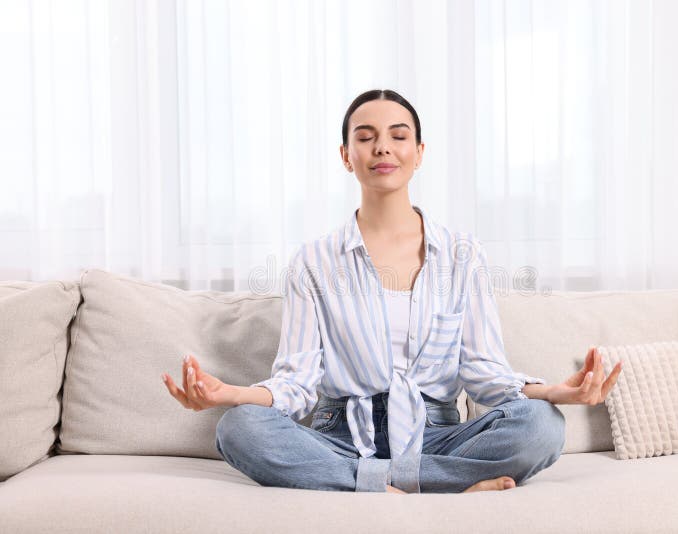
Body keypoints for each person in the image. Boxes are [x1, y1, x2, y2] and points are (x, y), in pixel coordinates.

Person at [161, 89, 624, 494]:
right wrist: (232, 395)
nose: (383, 146)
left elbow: (483, 372)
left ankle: (369, 483)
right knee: (239, 429)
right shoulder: (314, 262)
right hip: (340, 435)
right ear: (346, 155)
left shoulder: (463, 255)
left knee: (540, 425)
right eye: (365, 137)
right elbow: (297, 385)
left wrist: (556, 393)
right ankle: (434, 484)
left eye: (398, 136)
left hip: (438, 432)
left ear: (419, 152)